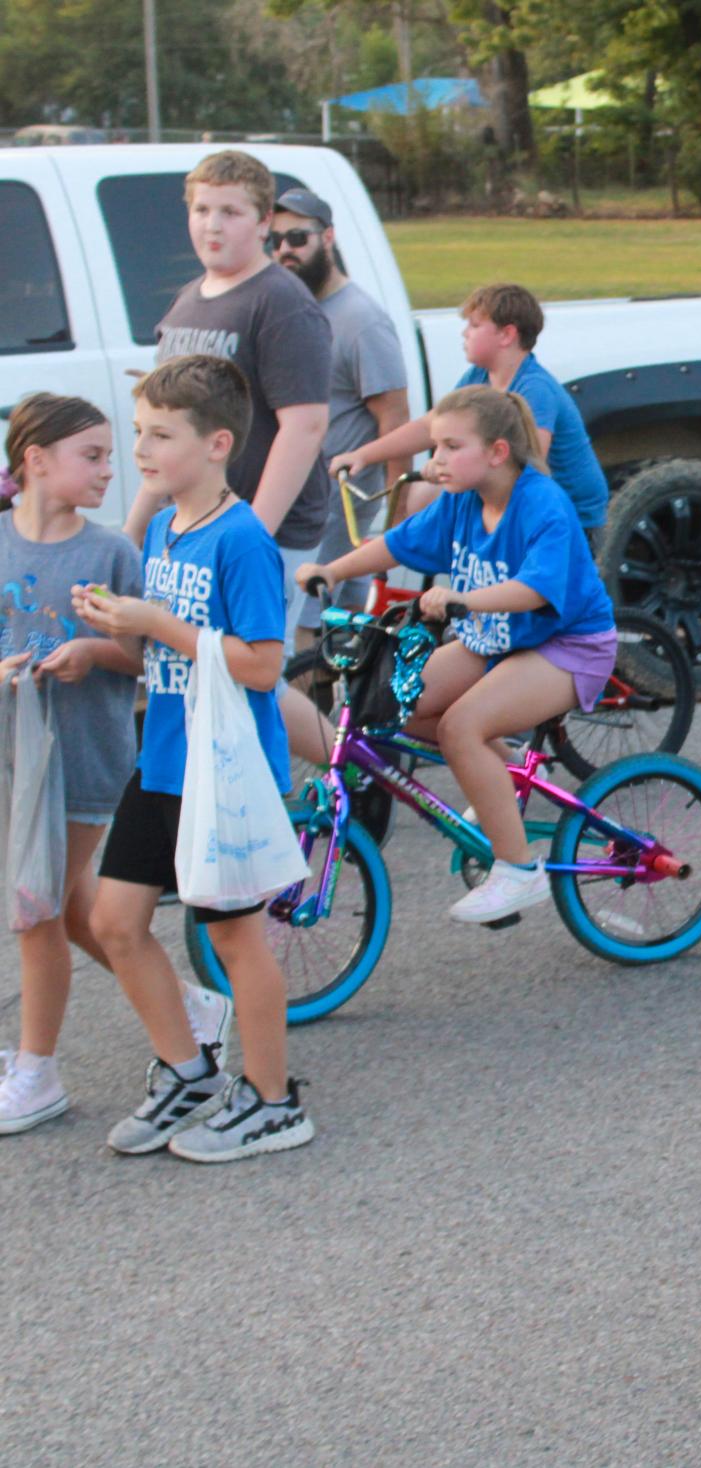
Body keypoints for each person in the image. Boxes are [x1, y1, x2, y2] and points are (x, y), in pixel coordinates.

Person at [76, 357, 313, 1162]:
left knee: (237, 943)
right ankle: (189, 1072)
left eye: (159, 435)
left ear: (217, 444)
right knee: (114, 921)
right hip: (165, 757)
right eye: (138, 431)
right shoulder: (163, 527)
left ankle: (275, 1103)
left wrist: (158, 622)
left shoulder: (242, 539)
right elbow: (160, 653)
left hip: (226, 771)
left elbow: (260, 666)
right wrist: (114, 627)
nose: (141, 449)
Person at [301, 386, 616, 924]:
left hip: (567, 646)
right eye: (434, 447)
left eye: (450, 447)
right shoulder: (460, 503)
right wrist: (334, 570)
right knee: (397, 701)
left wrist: (462, 601)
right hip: (495, 638)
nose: (436, 461)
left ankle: (518, 871)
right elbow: (397, 544)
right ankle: (510, 772)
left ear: (496, 452)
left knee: (460, 728)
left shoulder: (542, 503)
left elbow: (536, 590)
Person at [0, 397, 156, 1135]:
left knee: (37, 909)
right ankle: (189, 1007)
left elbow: (142, 655)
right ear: (35, 461)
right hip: (13, 759)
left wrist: (92, 652)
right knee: (71, 911)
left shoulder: (111, 553)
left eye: (107, 454)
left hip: (87, 757)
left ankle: (37, 1071)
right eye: (91, 455)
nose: (108, 468)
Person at [146, 150, 332, 655]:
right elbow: (159, 425)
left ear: (264, 221)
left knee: (253, 671)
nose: (213, 225)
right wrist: (140, 521)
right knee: (200, 667)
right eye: (202, 210)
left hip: (263, 528)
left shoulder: (281, 302)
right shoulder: (187, 298)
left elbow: (306, 426)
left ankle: (323, 740)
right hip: (190, 523)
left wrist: (250, 532)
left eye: (231, 212)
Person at [331, 284, 611, 543]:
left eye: (474, 325)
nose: (465, 333)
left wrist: (447, 467)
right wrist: (363, 456)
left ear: (507, 335)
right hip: (515, 505)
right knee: (421, 497)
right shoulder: (479, 376)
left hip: (569, 519)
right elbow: (429, 426)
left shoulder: (534, 388)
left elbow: (529, 463)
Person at [269, 187, 412, 629]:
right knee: (338, 623)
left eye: (297, 238)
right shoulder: (292, 307)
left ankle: (303, 697)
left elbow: (395, 421)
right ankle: (335, 698)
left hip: (335, 503)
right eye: (274, 241)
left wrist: (396, 518)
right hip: (293, 493)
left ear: (328, 237)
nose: (284, 251)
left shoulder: (361, 320)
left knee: (301, 620)